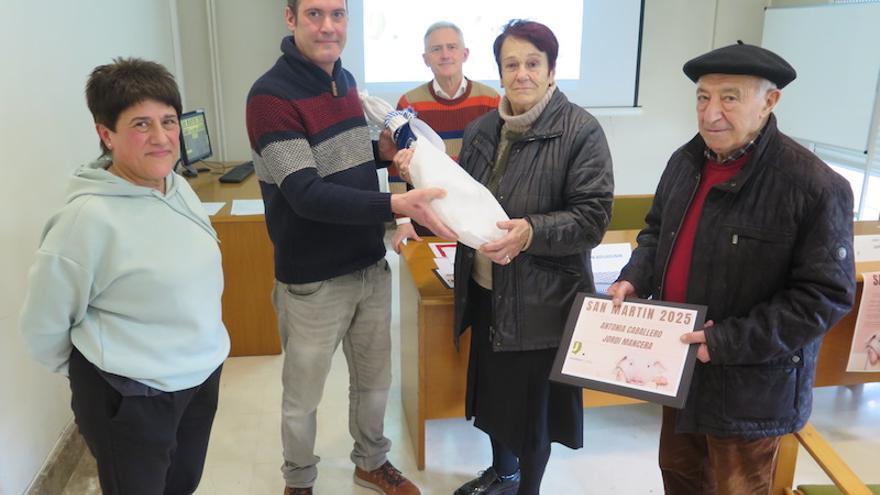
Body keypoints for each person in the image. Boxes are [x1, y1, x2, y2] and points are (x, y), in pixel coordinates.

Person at [608, 42, 856, 494]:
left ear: (770, 101)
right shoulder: (685, 162)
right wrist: (634, 276)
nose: (710, 113)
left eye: (730, 97)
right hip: (679, 370)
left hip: (750, 391)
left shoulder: (814, 186)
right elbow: (656, 232)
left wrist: (725, 341)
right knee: (680, 478)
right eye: (703, 97)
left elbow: (824, 297)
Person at [244, 1, 455, 494]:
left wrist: (381, 154)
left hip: (368, 265)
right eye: (314, 14)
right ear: (290, 19)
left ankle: (371, 462)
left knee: (375, 382)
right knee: (303, 398)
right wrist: (400, 205)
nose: (328, 26)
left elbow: (345, 160)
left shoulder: (344, 81)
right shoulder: (270, 96)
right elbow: (305, 192)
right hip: (313, 279)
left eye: (338, 14)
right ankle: (299, 481)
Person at [399, 19, 614, 495]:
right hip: (486, 289)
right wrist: (416, 180)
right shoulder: (482, 130)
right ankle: (504, 473)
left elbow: (592, 218)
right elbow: (458, 198)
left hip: (544, 301)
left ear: (552, 70)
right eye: (511, 64)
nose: (522, 74)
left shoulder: (581, 131)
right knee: (494, 399)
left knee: (533, 414)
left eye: (533, 63)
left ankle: (527, 488)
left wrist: (531, 232)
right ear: (498, 71)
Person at [18, 58, 230, 495]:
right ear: (105, 134)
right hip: (133, 396)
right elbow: (42, 325)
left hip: (197, 376)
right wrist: (101, 370)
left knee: (181, 483)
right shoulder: (86, 219)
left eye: (168, 121)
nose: (161, 138)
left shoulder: (176, 186)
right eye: (141, 124)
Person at [391, 21, 500, 250]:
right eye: (436, 49)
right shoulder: (409, 103)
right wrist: (402, 221)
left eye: (452, 47)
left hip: (477, 216)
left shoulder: (490, 100)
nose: (445, 55)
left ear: (465, 53)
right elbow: (396, 165)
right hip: (427, 217)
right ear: (425, 58)